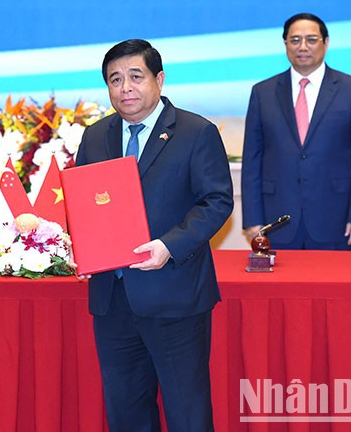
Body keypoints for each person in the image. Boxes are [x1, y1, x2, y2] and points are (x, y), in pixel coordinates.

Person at [73, 39, 233, 431]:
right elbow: (83, 205)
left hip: (175, 296)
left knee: (186, 411)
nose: (125, 87)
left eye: (135, 76)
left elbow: (217, 202)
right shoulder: (95, 136)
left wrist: (168, 246)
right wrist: (82, 248)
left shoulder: (196, 132)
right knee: (126, 411)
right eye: (115, 79)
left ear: (158, 80)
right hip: (114, 299)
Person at [241, 13, 351, 250]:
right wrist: (253, 219)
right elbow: (252, 160)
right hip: (277, 221)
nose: (302, 47)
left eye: (311, 39)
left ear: (326, 42)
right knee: (280, 288)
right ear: (285, 44)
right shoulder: (262, 92)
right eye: (295, 40)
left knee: (334, 287)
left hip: (337, 220)